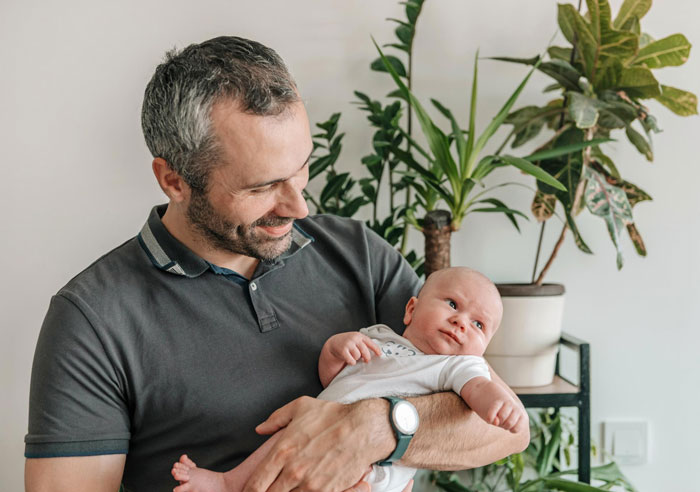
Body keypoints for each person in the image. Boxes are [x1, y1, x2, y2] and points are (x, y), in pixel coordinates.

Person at [24, 36, 529, 492]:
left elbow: (506, 430)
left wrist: (377, 428)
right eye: (262, 186)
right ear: (174, 180)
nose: (299, 208)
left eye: (302, 167)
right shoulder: (92, 318)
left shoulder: (356, 251)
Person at [170, 267, 527, 492]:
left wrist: (498, 404)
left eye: (478, 325)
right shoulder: (380, 337)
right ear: (412, 309)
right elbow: (335, 376)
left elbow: (480, 391)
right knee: (279, 447)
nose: (461, 322)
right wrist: (337, 348)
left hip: (373, 468)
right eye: (451, 304)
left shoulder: (459, 367)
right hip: (312, 425)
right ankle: (227, 482)